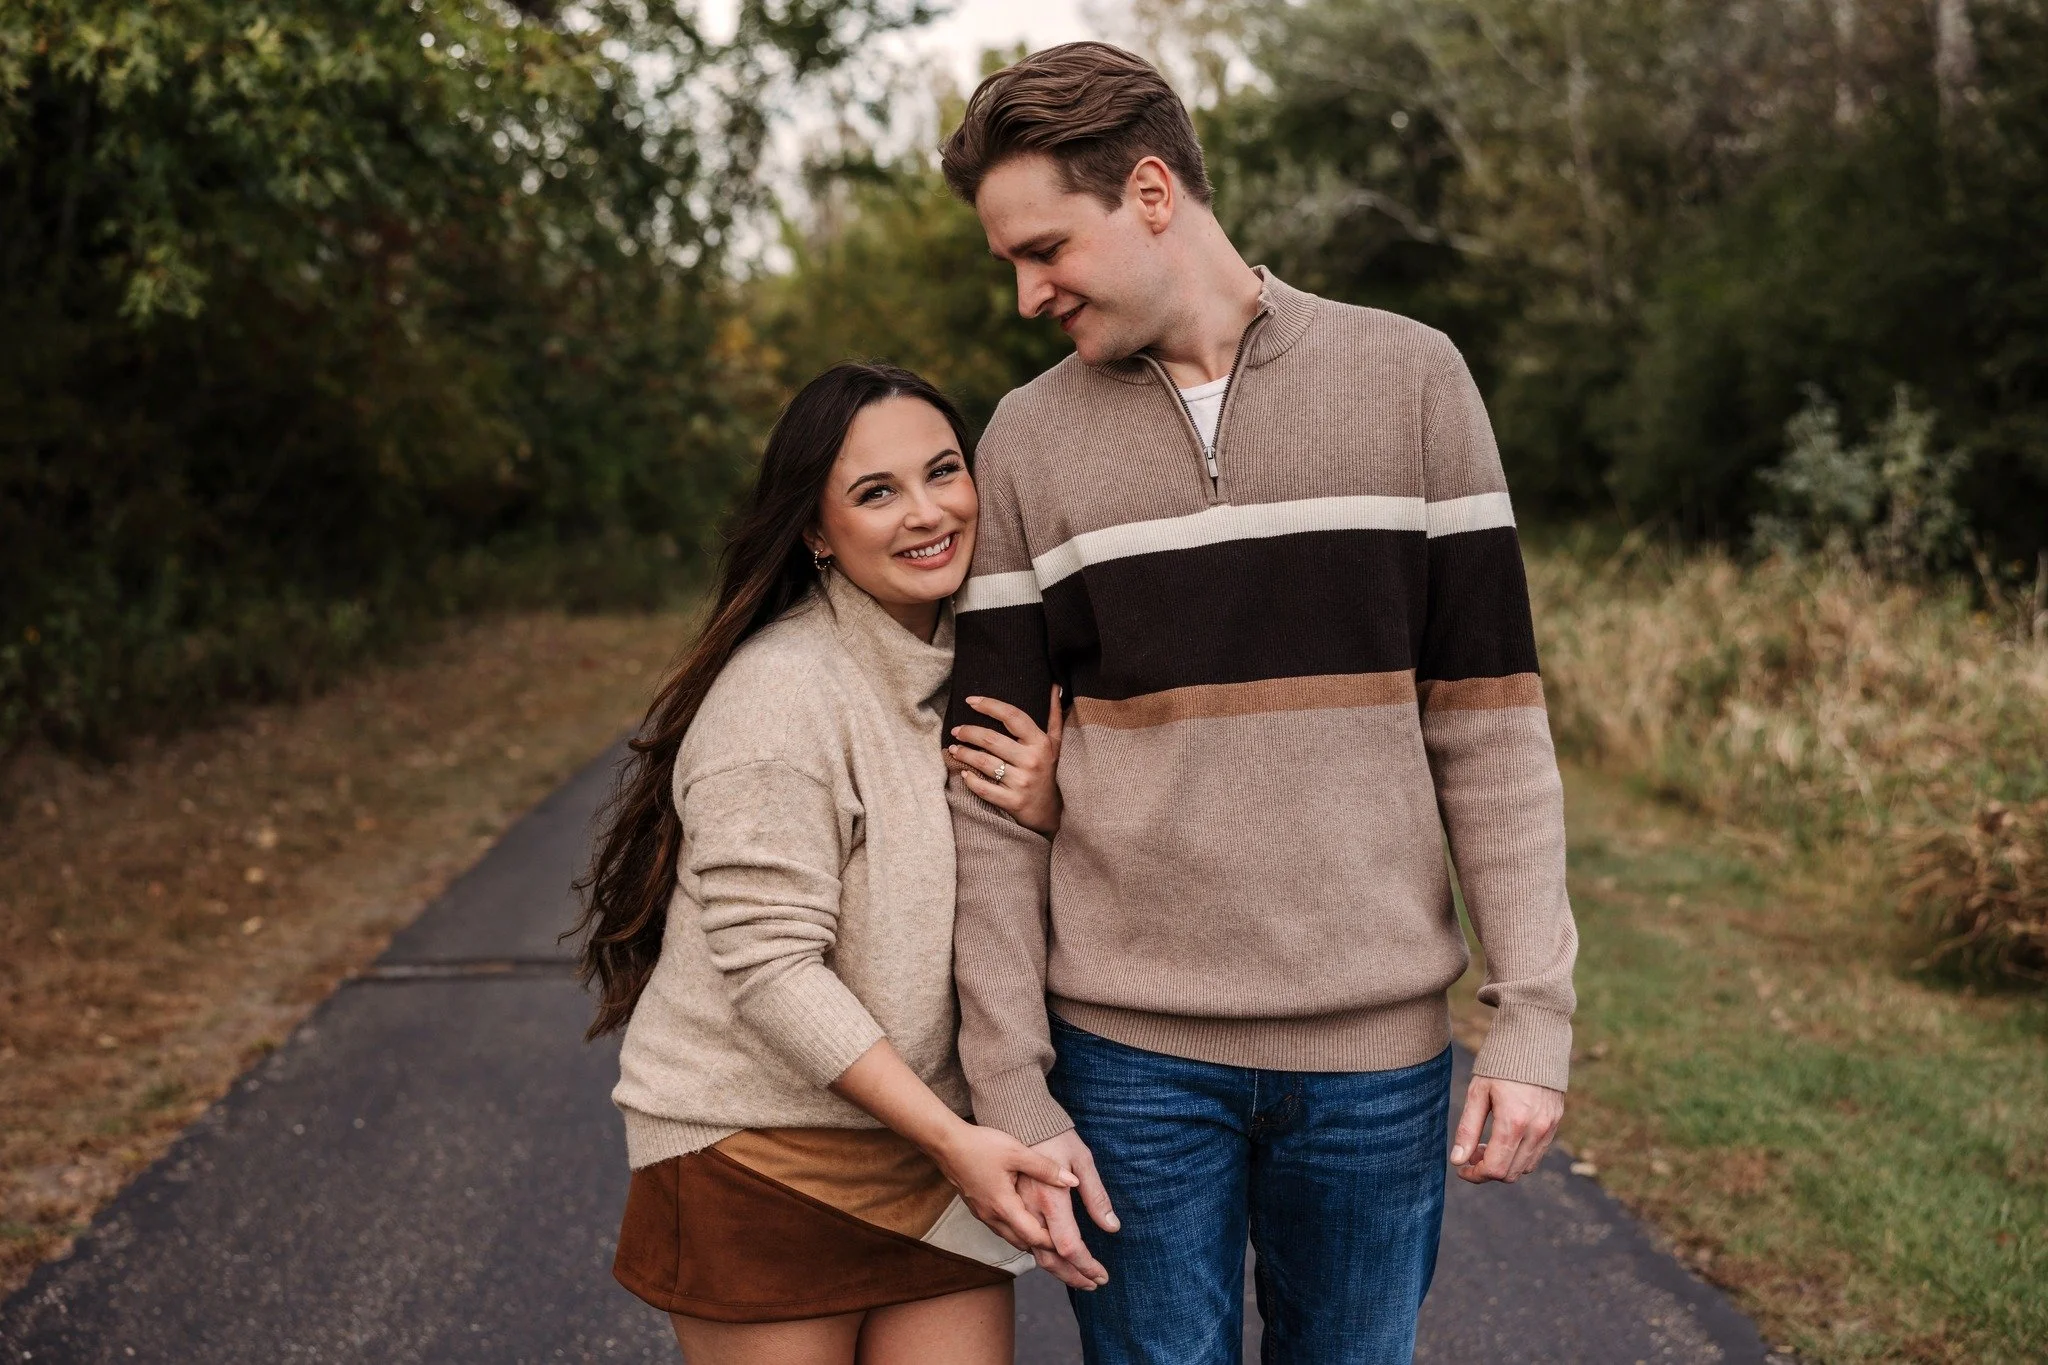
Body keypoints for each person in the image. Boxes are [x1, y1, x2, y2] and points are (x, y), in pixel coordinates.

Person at [935, 42, 1582, 1363]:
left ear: (1155, 192)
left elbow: (1493, 731)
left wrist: (1537, 1016)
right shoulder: (1024, 443)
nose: (1024, 294)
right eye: (1010, 259)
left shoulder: (1413, 381)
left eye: (1046, 248)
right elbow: (990, 798)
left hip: (1376, 1069)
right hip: (1126, 1069)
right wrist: (1011, 1086)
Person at [572, 362, 1078, 1365]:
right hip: (760, 1155)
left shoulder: (992, 668)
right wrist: (950, 1137)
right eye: (875, 492)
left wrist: (1052, 810)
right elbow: (771, 971)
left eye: (943, 472)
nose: (926, 512)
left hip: (931, 1157)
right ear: (814, 530)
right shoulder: (780, 695)